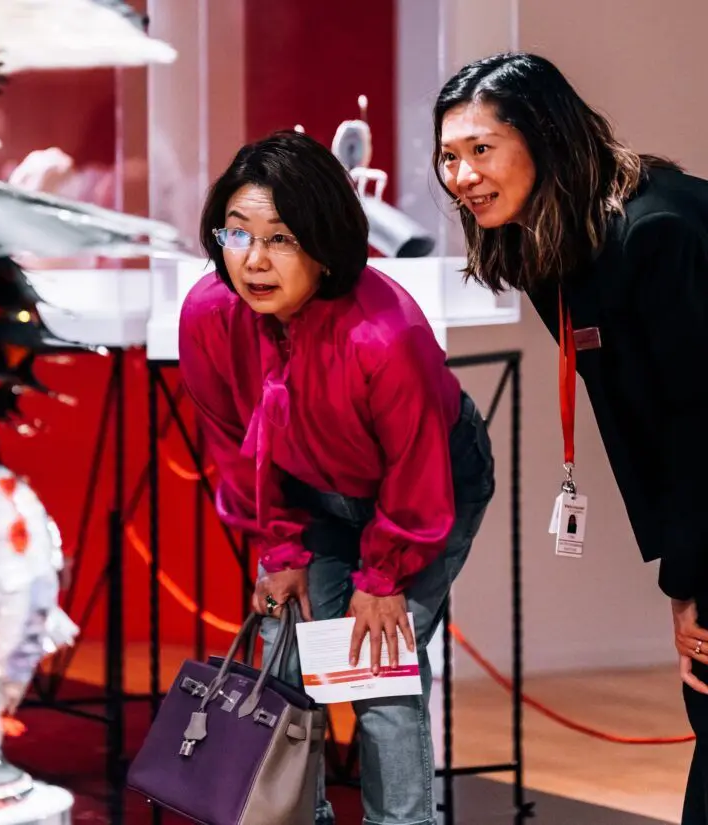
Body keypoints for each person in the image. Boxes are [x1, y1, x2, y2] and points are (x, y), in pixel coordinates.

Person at [178, 130, 495, 825]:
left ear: (324, 243)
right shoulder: (209, 315)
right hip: (308, 493)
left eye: (281, 238)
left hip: (422, 489)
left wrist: (383, 578)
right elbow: (234, 443)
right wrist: (281, 550)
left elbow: (417, 472)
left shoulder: (385, 335)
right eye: (237, 233)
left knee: (376, 670)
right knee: (283, 660)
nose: (254, 260)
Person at [432, 51, 708, 825]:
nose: (461, 176)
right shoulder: (551, 250)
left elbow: (695, 425)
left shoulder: (656, 233)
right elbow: (647, 419)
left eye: (481, 149)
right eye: (448, 156)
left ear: (547, 138)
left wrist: (689, 581)